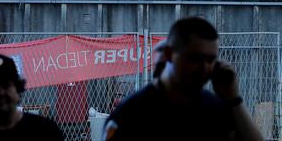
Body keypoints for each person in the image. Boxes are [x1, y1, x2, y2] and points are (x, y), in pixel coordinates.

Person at [104, 16, 264, 141]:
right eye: (195, 59)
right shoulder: (132, 114)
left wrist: (234, 99)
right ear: (169, 55)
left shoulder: (213, 108)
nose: (204, 68)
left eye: (211, 60)